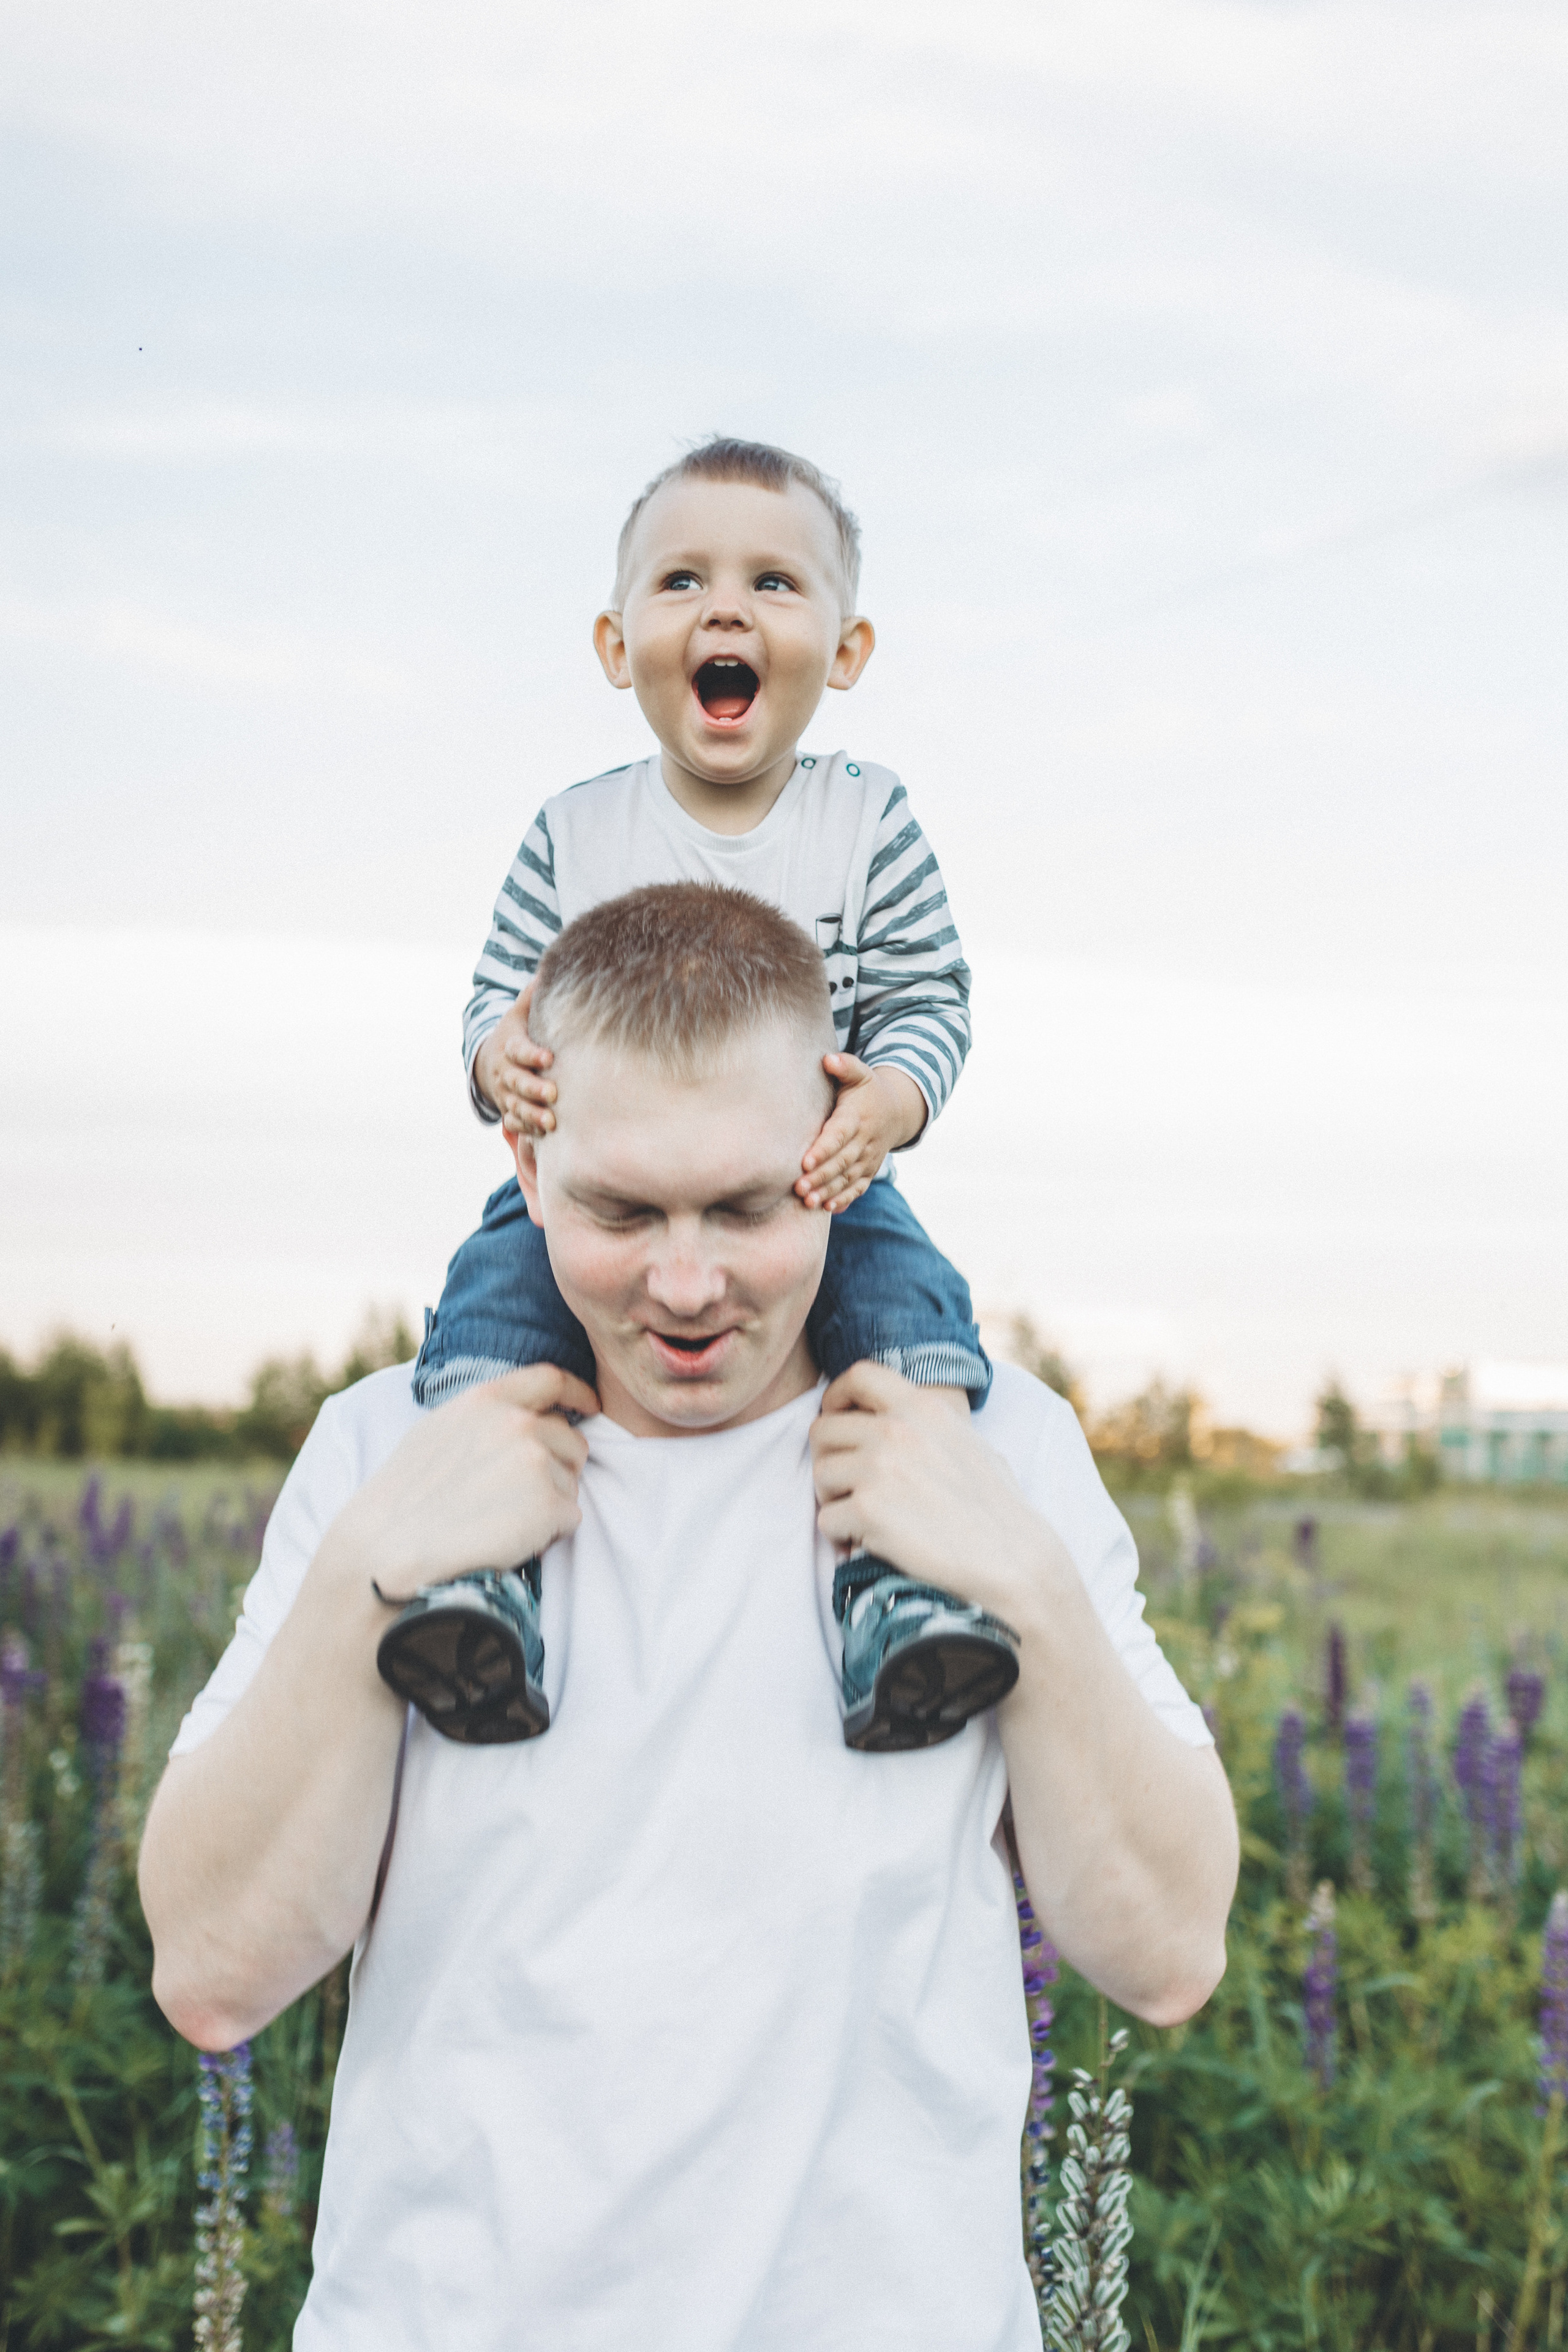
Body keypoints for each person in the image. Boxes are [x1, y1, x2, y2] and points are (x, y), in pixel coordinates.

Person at [139, 883, 1238, 2352]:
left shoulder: (990, 1441)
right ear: (525, 1167)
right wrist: (362, 1585)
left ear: (834, 1161)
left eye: (745, 1205)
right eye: (620, 1210)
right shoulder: (377, 1452)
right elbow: (212, 1976)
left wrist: (1023, 1581)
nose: (684, 1283)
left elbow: (1165, 1954)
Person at [384, 435, 1014, 1752]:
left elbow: (928, 1002)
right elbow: (498, 999)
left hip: (805, 1178)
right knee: (490, 1328)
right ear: (618, 646)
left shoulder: (865, 822)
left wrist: (883, 1108)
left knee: (911, 1332)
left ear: (843, 653)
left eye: (773, 584)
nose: (725, 609)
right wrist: (494, 1063)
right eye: (683, 580)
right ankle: (474, 1584)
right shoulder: (577, 829)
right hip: (598, 1179)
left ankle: (902, 1592)